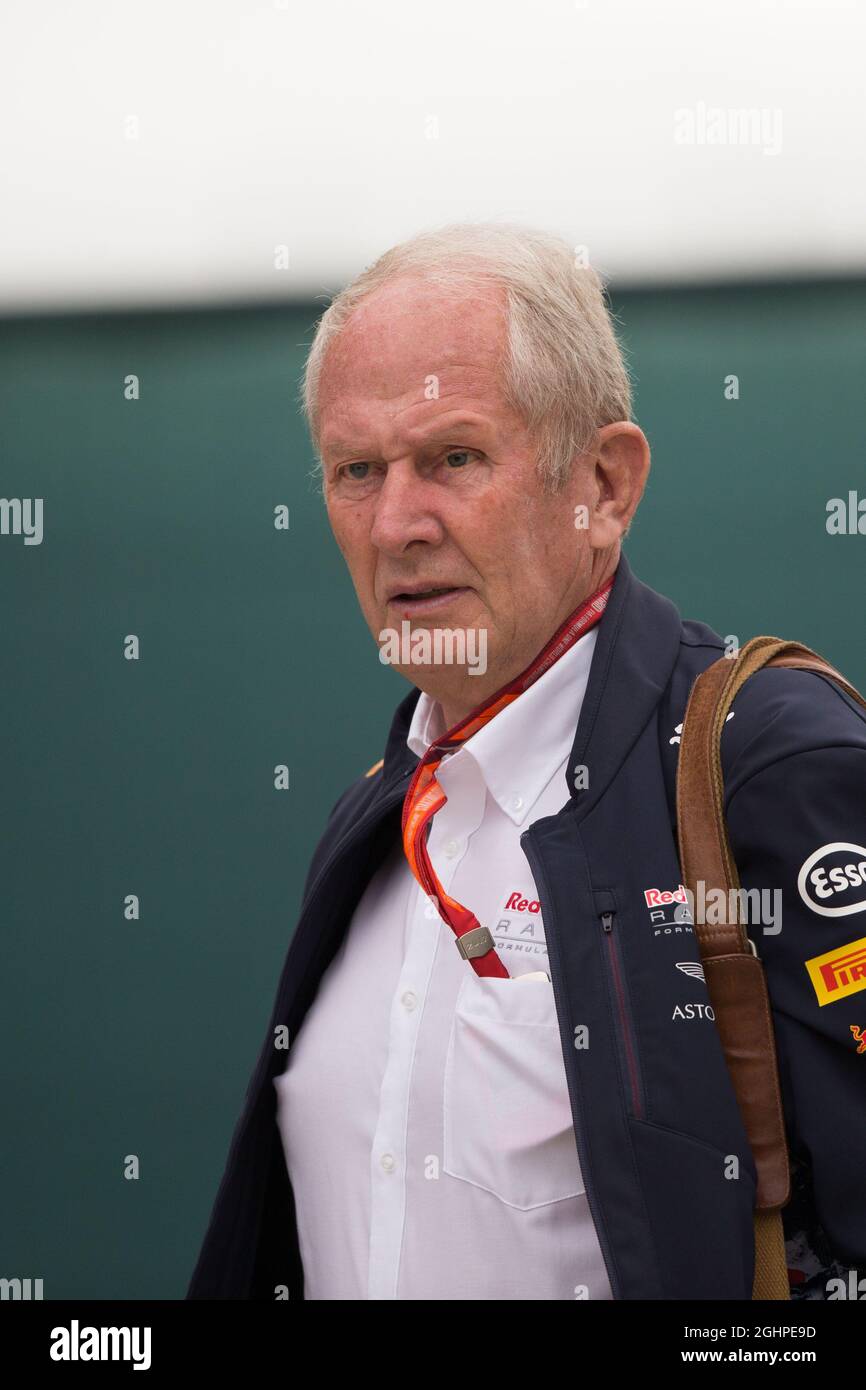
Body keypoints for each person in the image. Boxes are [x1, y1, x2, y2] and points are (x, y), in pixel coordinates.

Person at [187, 223, 866, 1300]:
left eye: (451, 456)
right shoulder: (375, 817)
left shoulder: (767, 759)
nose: (396, 522)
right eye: (354, 469)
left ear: (602, 482)